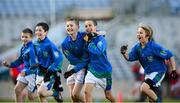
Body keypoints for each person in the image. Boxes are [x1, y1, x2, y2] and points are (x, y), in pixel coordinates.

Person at [120, 24, 179, 102]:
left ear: (147, 35)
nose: (138, 34)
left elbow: (170, 55)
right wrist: (124, 53)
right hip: (148, 73)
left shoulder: (154, 47)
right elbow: (129, 58)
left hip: (159, 72)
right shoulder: (137, 47)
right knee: (151, 99)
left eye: (141, 33)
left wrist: (173, 70)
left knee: (143, 88)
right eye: (137, 32)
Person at [64, 19, 116, 102]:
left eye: (90, 25)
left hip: (104, 70)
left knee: (108, 95)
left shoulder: (100, 39)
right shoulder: (86, 40)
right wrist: (73, 70)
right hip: (91, 70)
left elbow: (98, 51)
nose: (88, 27)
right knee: (86, 92)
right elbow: (85, 60)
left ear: (95, 26)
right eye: (86, 26)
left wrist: (90, 41)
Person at [2, 28, 38, 102]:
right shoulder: (23, 48)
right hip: (26, 72)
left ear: (31, 37)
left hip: (33, 74)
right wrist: (9, 65)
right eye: (22, 37)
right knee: (17, 90)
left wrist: (26, 72)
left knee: (31, 97)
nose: (24, 39)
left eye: (26, 37)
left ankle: (47, 92)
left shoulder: (32, 49)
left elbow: (35, 65)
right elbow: (20, 60)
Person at [34, 22, 63, 102]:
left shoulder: (50, 45)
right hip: (39, 73)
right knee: (41, 97)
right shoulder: (35, 44)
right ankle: (56, 94)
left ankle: (56, 93)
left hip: (49, 74)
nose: (37, 32)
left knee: (41, 92)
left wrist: (51, 70)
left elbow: (59, 58)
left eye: (40, 30)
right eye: (36, 30)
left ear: (45, 32)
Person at [61, 17, 87, 102]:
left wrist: (84, 64)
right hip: (73, 67)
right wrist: (83, 63)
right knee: (73, 97)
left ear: (78, 27)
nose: (69, 27)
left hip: (82, 68)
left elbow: (96, 35)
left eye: (71, 25)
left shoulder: (85, 37)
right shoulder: (64, 43)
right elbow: (72, 60)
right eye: (67, 26)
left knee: (75, 94)